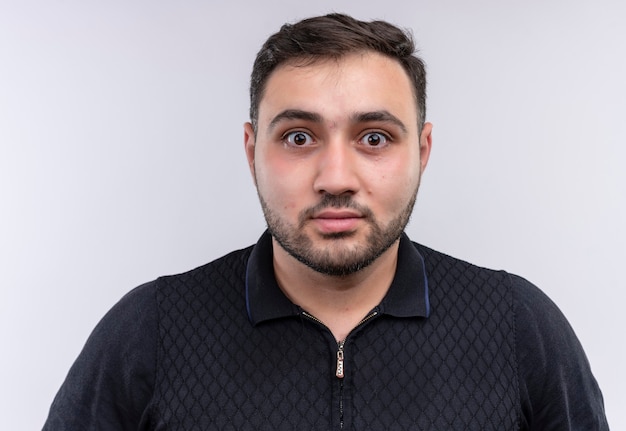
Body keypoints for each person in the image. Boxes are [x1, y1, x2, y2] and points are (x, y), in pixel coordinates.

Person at [43, 13, 608, 430]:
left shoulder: (518, 327)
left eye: (374, 138)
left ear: (423, 150)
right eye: (298, 137)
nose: (335, 177)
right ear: (251, 150)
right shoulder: (150, 332)